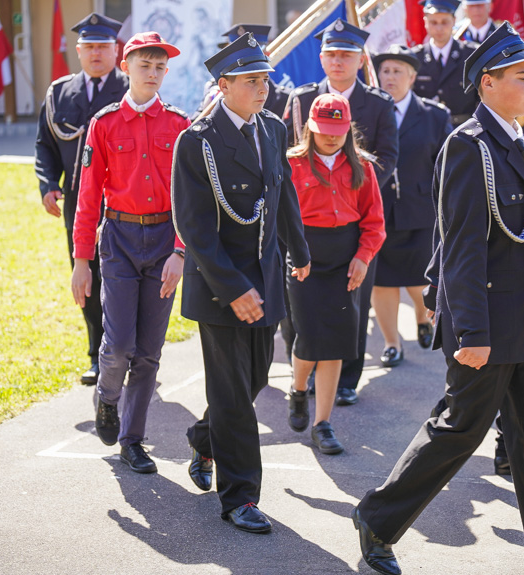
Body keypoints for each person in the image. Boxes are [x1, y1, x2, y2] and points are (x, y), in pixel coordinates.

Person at [351, 23, 524, 575]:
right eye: (522, 77)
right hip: (486, 324)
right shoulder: (468, 146)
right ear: (488, 83)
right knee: (459, 430)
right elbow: (463, 248)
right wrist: (471, 333)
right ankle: (378, 519)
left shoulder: (518, 138)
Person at [172, 32, 311, 534]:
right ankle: (240, 498)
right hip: (220, 285)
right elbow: (195, 228)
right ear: (224, 84)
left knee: (251, 382)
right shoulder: (198, 142)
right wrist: (232, 288)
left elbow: (283, 192)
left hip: (266, 276)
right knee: (232, 393)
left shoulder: (271, 129)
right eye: (251, 81)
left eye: (265, 80)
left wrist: (299, 247)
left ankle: (203, 438)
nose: (263, 89)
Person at [71, 32, 189, 473]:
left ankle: (132, 439)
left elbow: (189, 198)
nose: (153, 73)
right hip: (118, 239)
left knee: (149, 352)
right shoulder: (104, 124)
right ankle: (106, 397)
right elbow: (88, 196)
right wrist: (82, 261)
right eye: (145, 65)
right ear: (126, 66)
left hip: (163, 242)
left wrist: (180, 251)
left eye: (161, 67)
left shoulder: (179, 124)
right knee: (118, 343)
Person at [284, 18, 397, 406]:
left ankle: (346, 380)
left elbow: (388, 156)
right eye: (331, 54)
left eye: (346, 55)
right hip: (306, 231)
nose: (338, 61)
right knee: (299, 314)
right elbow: (288, 161)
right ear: (321, 58)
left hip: (354, 220)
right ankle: (302, 374)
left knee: (352, 308)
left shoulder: (379, 103)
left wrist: (350, 192)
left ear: (360, 59)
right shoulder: (300, 100)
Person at [285, 94, 386, 454]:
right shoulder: (292, 165)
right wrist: (296, 254)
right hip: (304, 256)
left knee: (337, 342)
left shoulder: (362, 166)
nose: (331, 137)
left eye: (338, 131)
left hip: (346, 259)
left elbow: (374, 221)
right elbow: (283, 218)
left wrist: (363, 257)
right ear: (310, 128)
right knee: (310, 336)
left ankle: (322, 423)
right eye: (324, 130)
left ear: (348, 130)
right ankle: (298, 389)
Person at [34, 13, 127, 385]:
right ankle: (97, 354)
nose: (96, 53)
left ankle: (129, 352)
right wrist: (47, 185)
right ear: (78, 51)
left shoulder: (129, 88)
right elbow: (45, 143)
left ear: (116, 50)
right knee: (86, 278)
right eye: (89, 47)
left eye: (103, 46)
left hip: (123, 203)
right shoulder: (59, 93)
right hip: (78, 202)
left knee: (123, 279)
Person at [371, 45, 452, 367]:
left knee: (420, 279)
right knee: (383, 281)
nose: (390, 77)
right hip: (379, 211)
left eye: (397, 71)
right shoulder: (368, 110)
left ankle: (422, 318)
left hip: (421, 212)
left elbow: (445, 166)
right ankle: (392, 343)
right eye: (386, 71)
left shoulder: (435, 114)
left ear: (413, 77)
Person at [193, 25, 291, 118]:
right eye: (232, 52)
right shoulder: (214, 90)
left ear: (266, 54)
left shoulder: (286, 99)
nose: (263, 89)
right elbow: (195, 125)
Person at [411, 0, 479, 126]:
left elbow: (482, 100)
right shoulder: (415, 57)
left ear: (454, 20)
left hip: (464, 132)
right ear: (425, 22)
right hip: (427, 133)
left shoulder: (471, 54)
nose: (439, 28)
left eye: (444, 22)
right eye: (433, 22)